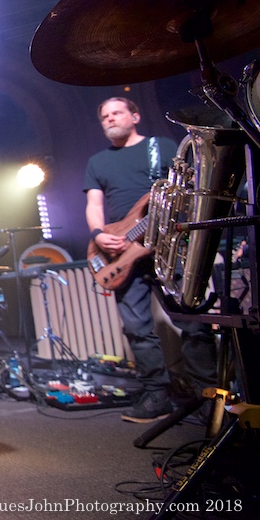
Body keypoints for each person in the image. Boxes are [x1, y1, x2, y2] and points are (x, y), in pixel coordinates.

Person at [84, 97, 216, 422]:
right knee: (137, 328)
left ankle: (210, 397)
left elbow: (185, 190)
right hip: (120, 251)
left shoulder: (161, 146)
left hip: (169, 244)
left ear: (135, 116)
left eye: (116, 112)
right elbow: (94, 205)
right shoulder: (97, 162)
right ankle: (156, 396)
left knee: (192, 319)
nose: (110, 119)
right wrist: (99, 235)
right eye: (104, 116)